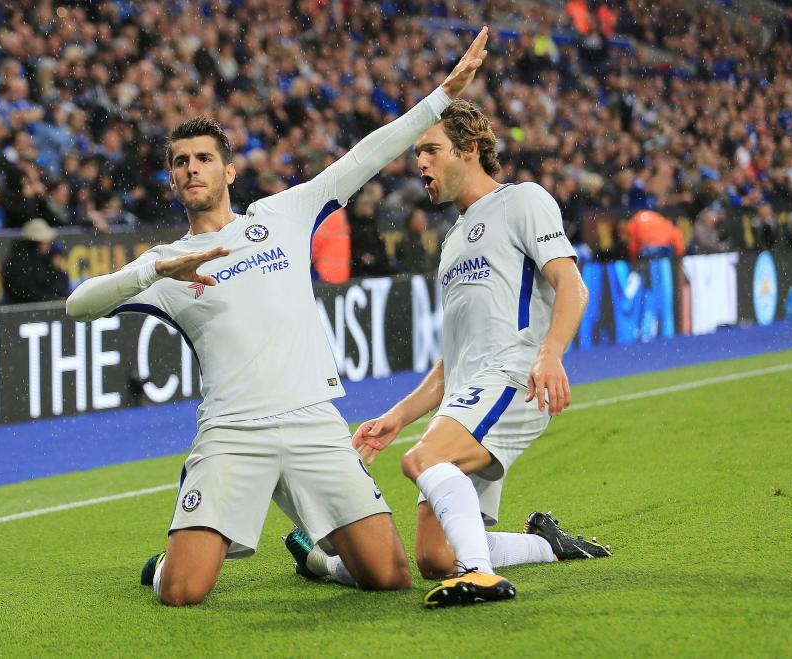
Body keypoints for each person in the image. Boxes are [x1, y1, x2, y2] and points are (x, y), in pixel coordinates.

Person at [66, 28, 494, 607]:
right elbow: (78, 305)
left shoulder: (282, 215)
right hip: (233, 431)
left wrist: (441, 97)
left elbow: (363, 157)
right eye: (181, 163)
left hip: (313, 423)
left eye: (204, 159)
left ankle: (315, 557)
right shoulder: (164, 264)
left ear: (228, 172)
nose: (192, 169)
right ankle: (168, 562)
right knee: (184, 593)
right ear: (172, 179)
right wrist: (151, 273)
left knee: (388, 575)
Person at [348, 94, 611, 609]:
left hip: (514, 379)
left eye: (429, 149)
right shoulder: (452, 241)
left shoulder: (523, 201)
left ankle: (482, 575)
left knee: (424, 458)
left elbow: (572, 285)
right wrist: (397, 416)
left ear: (468, 148)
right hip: (466, 393)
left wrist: (550, 354)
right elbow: (452, 361)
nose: (418, 163)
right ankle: (544, 545)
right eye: (416, 153)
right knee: (434, 557)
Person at [1, 218, 69, 304]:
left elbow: (55, 284)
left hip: (42, 309)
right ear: (35, 243)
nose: (48, 244)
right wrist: (52, 300)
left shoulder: (45, 258)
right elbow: (25, 292)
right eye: (44, 241)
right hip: (23, 311)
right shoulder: (17, 262)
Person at [396, 207, 436, 273]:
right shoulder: (405, 243)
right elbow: (411, 268)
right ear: (411, 222)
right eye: (421, 219)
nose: (425, 222)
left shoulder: (417, 240)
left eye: (424, 219)